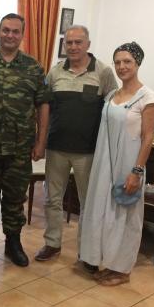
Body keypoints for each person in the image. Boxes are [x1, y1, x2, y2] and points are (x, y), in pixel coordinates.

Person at [0, 13, 50, 267]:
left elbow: (43, 105)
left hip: (19, 147)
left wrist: (41, 141)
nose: (10, 35)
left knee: (15, 198)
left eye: (15, 31)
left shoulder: (33, 67)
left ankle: (13, 242)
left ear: (22, 35)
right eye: (6, 30)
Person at [79, 42, 154, 286]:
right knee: (102, 213)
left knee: (125, 217)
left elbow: (148, 137)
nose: (122, 66)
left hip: (128, 165)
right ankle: (104, 260)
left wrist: (137, 171)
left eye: (127, 62)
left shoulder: (148, 98)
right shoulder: (112, 95)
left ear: (137, 63)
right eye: (117, 62)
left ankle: (122, 270)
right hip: (104, 164)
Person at [35, 26, 117, 262]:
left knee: (88, 203)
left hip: (88, 152)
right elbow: (45, 108)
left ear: (88, 44)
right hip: (57, 148)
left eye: (78, 42)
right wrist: (41, 141)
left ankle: (87, 252)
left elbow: (114, 107)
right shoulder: (55, 72)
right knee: (52, 199)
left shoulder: (103, 72)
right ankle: (52, 243)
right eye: (69, 42)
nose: (73, 47)